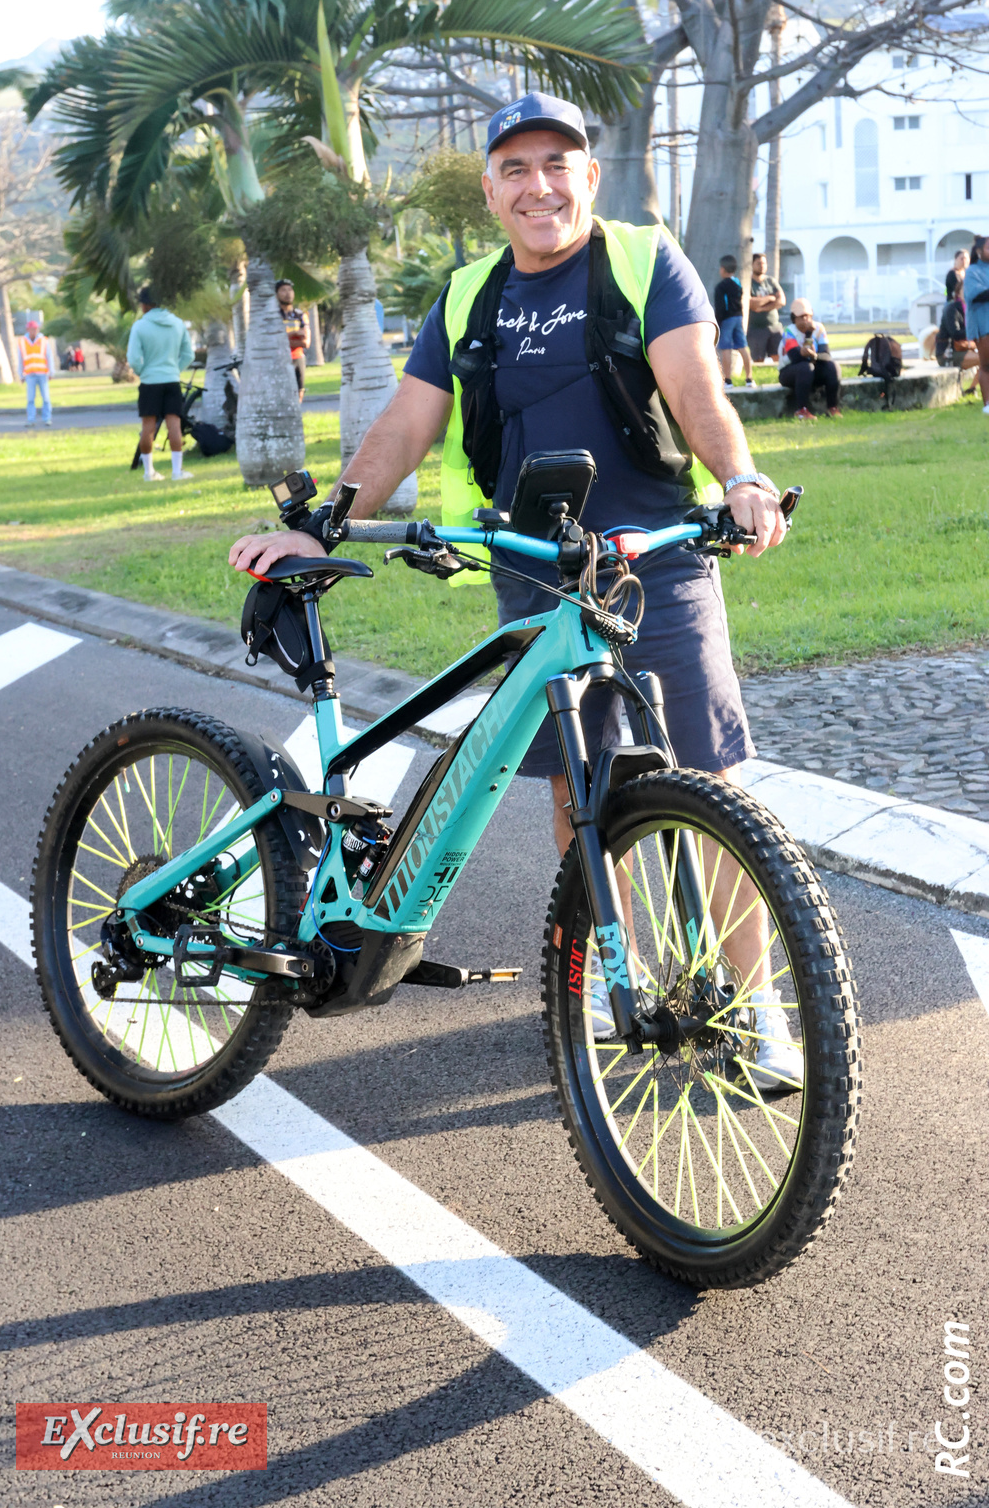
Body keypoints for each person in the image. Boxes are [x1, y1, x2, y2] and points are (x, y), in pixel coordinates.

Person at [228, 91, 799, 1087]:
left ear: (587, 175)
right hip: (530, 572)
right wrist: (324, 517)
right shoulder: (469, 296)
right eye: (514, 170)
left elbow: (694, 386)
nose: (538, 186)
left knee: (710, 788)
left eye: (556, 164)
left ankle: (752, 1013)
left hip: (652, 560)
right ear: (490, 190)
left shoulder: (637, 261)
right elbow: (407, 421)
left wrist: (739, 479)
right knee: (578, 795)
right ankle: (607, 966)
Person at [125, 286, 195, 480]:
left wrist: (143, 371)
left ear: (145, 305)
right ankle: (177, 471)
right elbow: (189, 354)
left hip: (149, 381)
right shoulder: (178, 323)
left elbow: (133, 358)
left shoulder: (140, 325)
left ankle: (149, 472)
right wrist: (175, 368)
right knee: (174, 423)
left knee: (148, 426)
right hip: (171, 379)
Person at [777, 299, 842, 419]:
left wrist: (815, 356)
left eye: (807, 316)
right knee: (805, 367)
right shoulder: (789, 331)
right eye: (801, 317)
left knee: (833, 367)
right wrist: (808, 335)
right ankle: (802, 410)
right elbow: (796, 358)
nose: (805, 320)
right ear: (794, 319)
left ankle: (832, 407)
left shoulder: (819, 328)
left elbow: (826, 355)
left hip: (812, 369)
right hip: (790, 371)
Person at [713, 255, 755, 390]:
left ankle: (728, 380)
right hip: (738, 317)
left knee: (726, 348)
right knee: (742, 346)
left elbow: (720, 306)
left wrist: (718, 321)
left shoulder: (721, 286)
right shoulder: (737, 283)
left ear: (723, 269)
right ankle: (749, 378)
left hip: (726, 319)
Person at [962, 235, 989, 414]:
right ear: (979, 251)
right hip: (984, 324)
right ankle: (987, 404)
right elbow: (976, 294)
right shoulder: (972, 271)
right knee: (987, 365)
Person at [747, 252, 785, 364]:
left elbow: (782, 301)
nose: (762, 265)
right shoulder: (748, 283)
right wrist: (771, 297)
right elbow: (751, 303)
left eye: (764, 263)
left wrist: (762, 307)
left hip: (774, 327)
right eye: (758, 263)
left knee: (778, 357)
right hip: (756, 329)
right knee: (758, 360)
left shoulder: (771, 281)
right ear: (752, 265)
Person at [17, 318, 55, 427]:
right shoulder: (22, 342)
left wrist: (51, 372)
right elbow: (20, 360)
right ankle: (31, 420)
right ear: (27, 329)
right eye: (31, 329)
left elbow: (49, 356)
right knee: (30, 399)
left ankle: (47, 419)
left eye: (35, 329)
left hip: (42, 373)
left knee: (46, 398)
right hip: (29, 375)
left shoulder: (43, 341)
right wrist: (21, 374)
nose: (33, 331)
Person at [276, 279, 310, 396]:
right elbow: (275, 340)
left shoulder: (300, 315)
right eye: (283, 290)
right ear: (276, 294)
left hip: (297, 358)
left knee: (299, 391)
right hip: (279, 359)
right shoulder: (274, 315)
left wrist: (285, 338)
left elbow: (305, 342)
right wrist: (295, 333)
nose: (287, 293)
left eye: (290, 290)